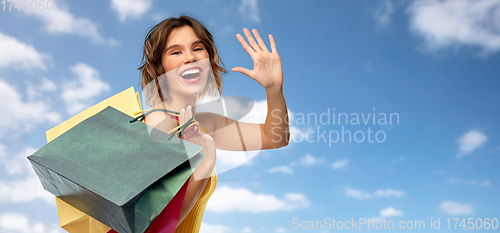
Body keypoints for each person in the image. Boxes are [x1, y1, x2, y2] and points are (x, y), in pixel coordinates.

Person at [138, 15, 290, 231]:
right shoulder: (159, 123)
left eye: (198, 48)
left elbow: (275, 138)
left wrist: (273, 89)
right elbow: (151, 227)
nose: (190, 58)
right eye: (176, 52)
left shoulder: (204, 123)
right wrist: (205, 164)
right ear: (159, 64)